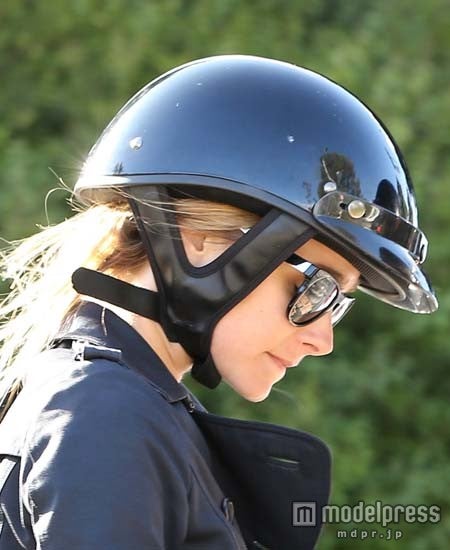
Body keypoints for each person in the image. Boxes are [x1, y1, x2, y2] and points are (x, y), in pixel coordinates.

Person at [0, 55, 438, 549]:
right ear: (201, 238)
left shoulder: (127, 406)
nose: (322, 339)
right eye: (318, 288)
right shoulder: (107, 415)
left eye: (338, 304)